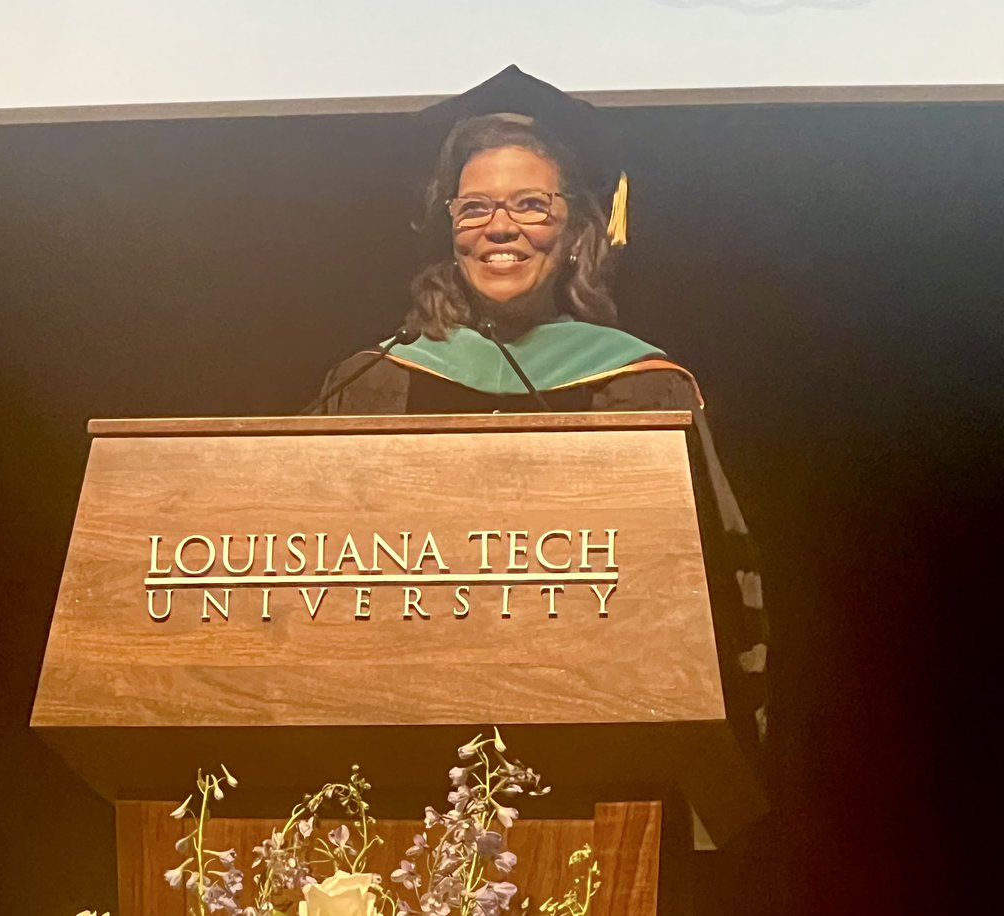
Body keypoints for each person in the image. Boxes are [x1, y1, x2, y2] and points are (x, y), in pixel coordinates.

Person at [313, 78, 768, 755]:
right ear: (447, 230)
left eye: (532, 204)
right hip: (392, 736)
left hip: (599, 739)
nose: (501, 228)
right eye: (474, 208)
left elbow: (704, 598)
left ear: (579, 228)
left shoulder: (641, 388)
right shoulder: (375, 380)